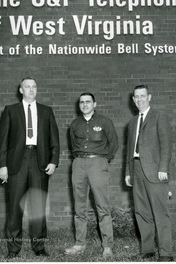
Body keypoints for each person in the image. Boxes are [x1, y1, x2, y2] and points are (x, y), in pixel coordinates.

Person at [0, 77, 60, 259]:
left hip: (40, 161)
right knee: (15, 207)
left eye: (34, 87)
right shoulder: (10, 111)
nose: (31, 90)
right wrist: (3, 166)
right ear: (21, 90)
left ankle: (39, 247)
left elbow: (54, 140)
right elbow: (2, 141)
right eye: (27, 87)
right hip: (17, 162)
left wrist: (53, 161)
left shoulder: (47, 111)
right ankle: (13, 249)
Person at [65, 92, 118, 259]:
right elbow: (73, 145)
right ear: (79, 105)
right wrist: (80, 161)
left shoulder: (104, 122)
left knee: (102, 207)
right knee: (79, 207)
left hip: (98, 163)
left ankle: (107, 246)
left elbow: (114, 143)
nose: (85, 104)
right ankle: (79, 243)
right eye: (82, 102)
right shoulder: (75, 124)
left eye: (88, 102)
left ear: (94, 104)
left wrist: (104, 160)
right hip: (79, 164)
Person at [125, 84, 173, 262]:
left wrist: (163, 168)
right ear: (133, 100)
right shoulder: (132, 123)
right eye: (136, 97)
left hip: (155, 171)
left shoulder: (159, 117)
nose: (139, 99)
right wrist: (128, 172)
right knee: (141, 212)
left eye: (142, 96)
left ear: (149, 97)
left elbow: (166, 145)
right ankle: (148, 250)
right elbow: (129, 150)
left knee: (160, 213)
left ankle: (166, 253)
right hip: (136, 170)